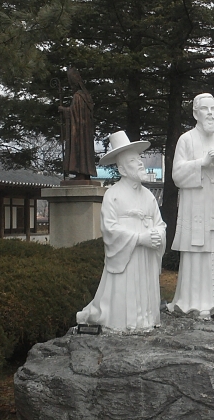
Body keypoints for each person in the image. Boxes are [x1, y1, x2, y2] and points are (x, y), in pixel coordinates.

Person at [76, 131, 166, 331]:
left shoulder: (149, 196)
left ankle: (147, 319)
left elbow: (160, 224)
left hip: (146, 256)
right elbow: (109, 228)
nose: (140, 164)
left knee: (145, 287)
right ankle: (123, 322)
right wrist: (139, 238)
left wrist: (157, 235)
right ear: (122, 169)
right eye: (133, 161)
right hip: (127, 255)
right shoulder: (112, 195)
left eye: (139, 159)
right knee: (127, 288)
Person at [168, 93, 214, 319]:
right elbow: (177, 174)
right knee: (196, 252)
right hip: (196, 209)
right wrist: (201, 163)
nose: (210, 114)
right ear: (195, 113)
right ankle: (192, 301)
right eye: (205, 109)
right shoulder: (186, 140)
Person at [58, 67, 97, 179]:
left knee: (79, 150)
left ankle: (80, 172)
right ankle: (86, 173)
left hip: (79, 132)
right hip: (86, 133)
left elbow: (73, 112)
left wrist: (63, 109)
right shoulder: (86, 97)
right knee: (86, 151)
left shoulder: (77, 97)